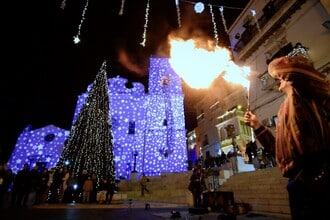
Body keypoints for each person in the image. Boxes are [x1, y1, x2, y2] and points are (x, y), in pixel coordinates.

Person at [244, 55, 330, 220]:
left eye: (281, 78)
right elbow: (278, 148)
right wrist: (257, 126)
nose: (278, 82)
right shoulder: (284, 109)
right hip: (297, 183)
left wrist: (274, 67)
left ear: (291, 78)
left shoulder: (303, 96)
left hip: (316, 180)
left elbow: (290, 70)